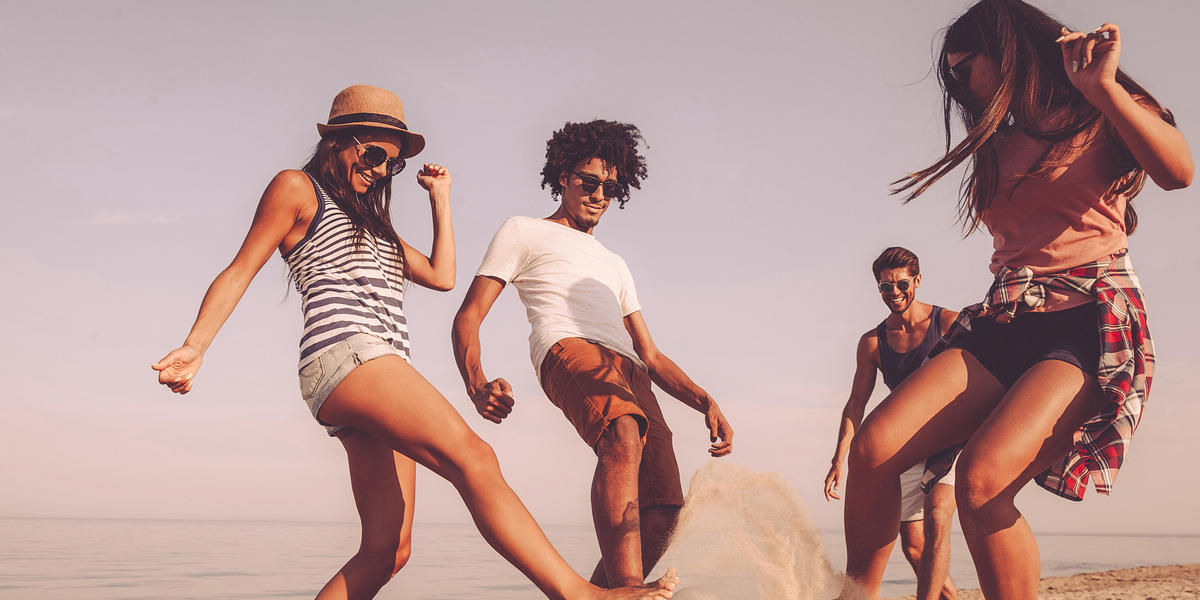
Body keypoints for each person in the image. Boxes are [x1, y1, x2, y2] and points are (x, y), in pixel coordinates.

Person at [152, 85, 677, 600]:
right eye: (376, 154)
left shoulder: (373, 223)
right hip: (350, 354)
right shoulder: (296, 188)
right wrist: (196, 346)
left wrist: (441, 199)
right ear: (341, 140)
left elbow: (441, 274)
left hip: (371, 368)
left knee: (387, 552)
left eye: (392, 164)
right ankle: (578, 595)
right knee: (474, 457)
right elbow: (241, 269)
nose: (381, 170)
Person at [843, 1, 1192, 599]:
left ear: (1009, 55)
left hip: (1087, 320)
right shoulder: (994, 142)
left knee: (981, 482)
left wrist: (1103, 89)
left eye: (965, 69)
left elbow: (1179, 171)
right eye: (949, 75)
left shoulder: (1095, 108)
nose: (957, 85)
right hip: (1004, 317)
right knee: (875, 449)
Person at [451, 119, 734, 588]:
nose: (600, 194)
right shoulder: (523, 231)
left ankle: (595, 596)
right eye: (589, 181)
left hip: (631, 369)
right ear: (563, 176)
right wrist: (476, 383)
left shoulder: (615, 264)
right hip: (568, 347)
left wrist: (706, 401)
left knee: (663, 512)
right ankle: (629, 594)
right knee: (622, 432)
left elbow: (652, 354)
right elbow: (469, 316)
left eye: (610, 187)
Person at [824, 247, 958, 600]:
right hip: (907, 444)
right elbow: (856, 403)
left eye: (901, 284)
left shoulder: (948, 323)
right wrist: (840, 457)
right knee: (914, 547)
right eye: (885, 287)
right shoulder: (873, 342)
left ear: (917, 280)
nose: (894, 293)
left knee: (939, 517)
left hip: (953, 438)